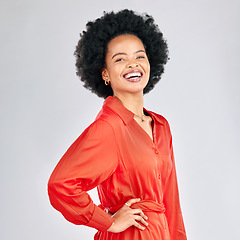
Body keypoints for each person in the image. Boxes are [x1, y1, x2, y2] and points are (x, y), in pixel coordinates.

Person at [48, 9, 187, 240]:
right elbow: (61, 185)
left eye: (140, 56)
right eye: (120, 59)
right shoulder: (109, 127)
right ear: (105, 74)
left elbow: (170, 202)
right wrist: (108, 222)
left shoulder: (161, 126)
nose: (133, 64)